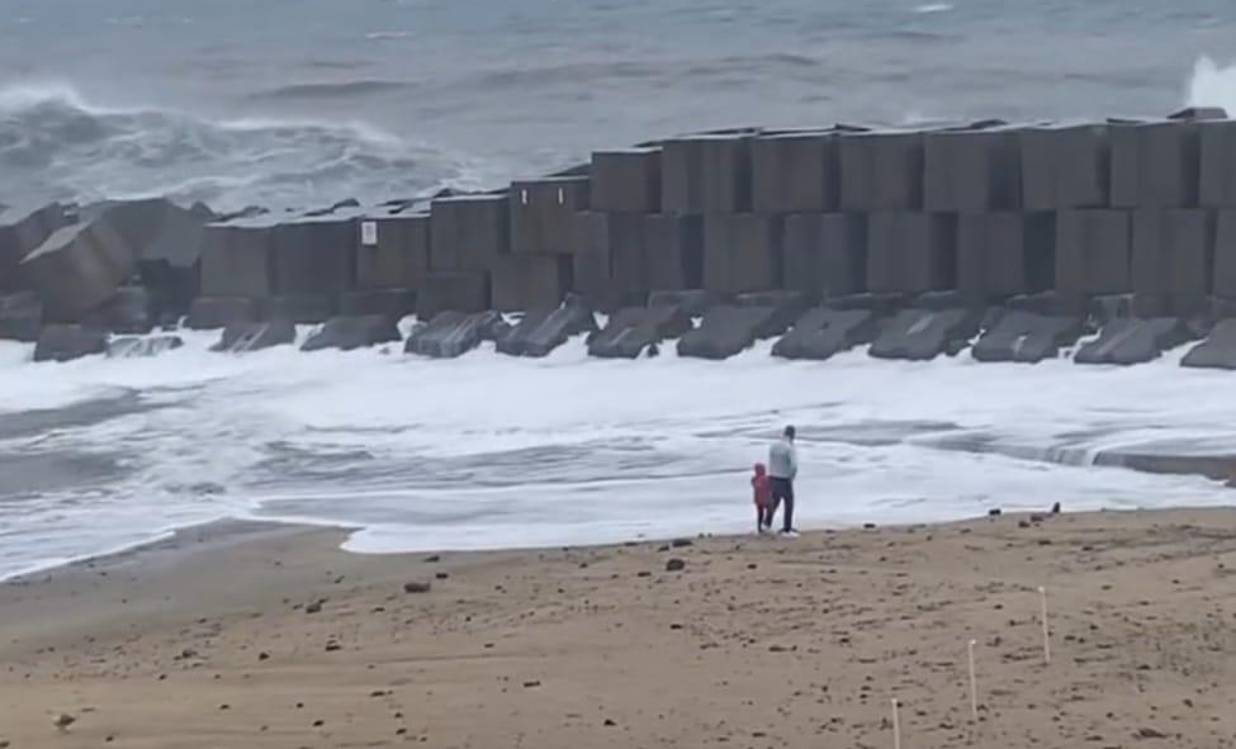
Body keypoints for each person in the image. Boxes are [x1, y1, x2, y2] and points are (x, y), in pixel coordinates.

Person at [768, 425, 798, 537]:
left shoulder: (774, 445)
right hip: (784, 478)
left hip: (773, 476)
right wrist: (791, 477)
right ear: (793, 435)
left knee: (774, 502)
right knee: (789, 503)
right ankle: (787, 529)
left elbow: (771, 460)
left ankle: (766, 523)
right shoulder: (789, 447)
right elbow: (794, 466)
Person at [751, 462, 773, 533]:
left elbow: (755, 486)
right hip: (766, 499)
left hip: (758, 500)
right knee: (770, 512)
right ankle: (767, 525)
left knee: (760, 514)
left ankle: (760, 528)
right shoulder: (767, 478)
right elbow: (771, 487)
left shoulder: (754, 479)